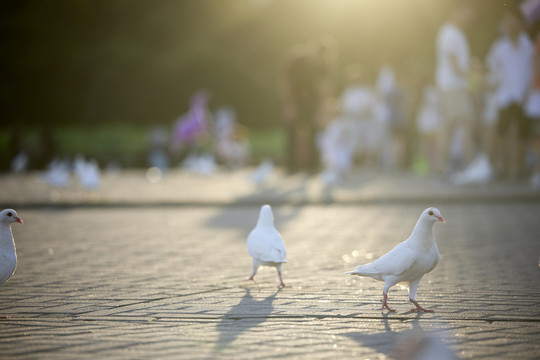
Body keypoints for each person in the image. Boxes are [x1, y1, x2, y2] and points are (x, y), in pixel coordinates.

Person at [485, 9, 533, 180]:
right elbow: (492, 70)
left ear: (521, 25)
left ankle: (517, 169)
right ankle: (504, 168)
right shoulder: (499, 47)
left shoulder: (527, 46)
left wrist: (529, 93)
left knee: (520, 136)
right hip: (504, 96)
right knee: (503, 134)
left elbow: (530, 71)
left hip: (522, 97)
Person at [435, 0, 476, 176]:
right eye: (468, 11)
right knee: (466, 123)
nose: (470, 16)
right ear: (459, 10)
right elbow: (455, 66)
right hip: (452, 87)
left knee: (450, 127)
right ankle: (470, 167)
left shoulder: (455, 33)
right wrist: (474, 74)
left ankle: (443, 168)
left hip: (452, 86)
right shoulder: (449, 33)